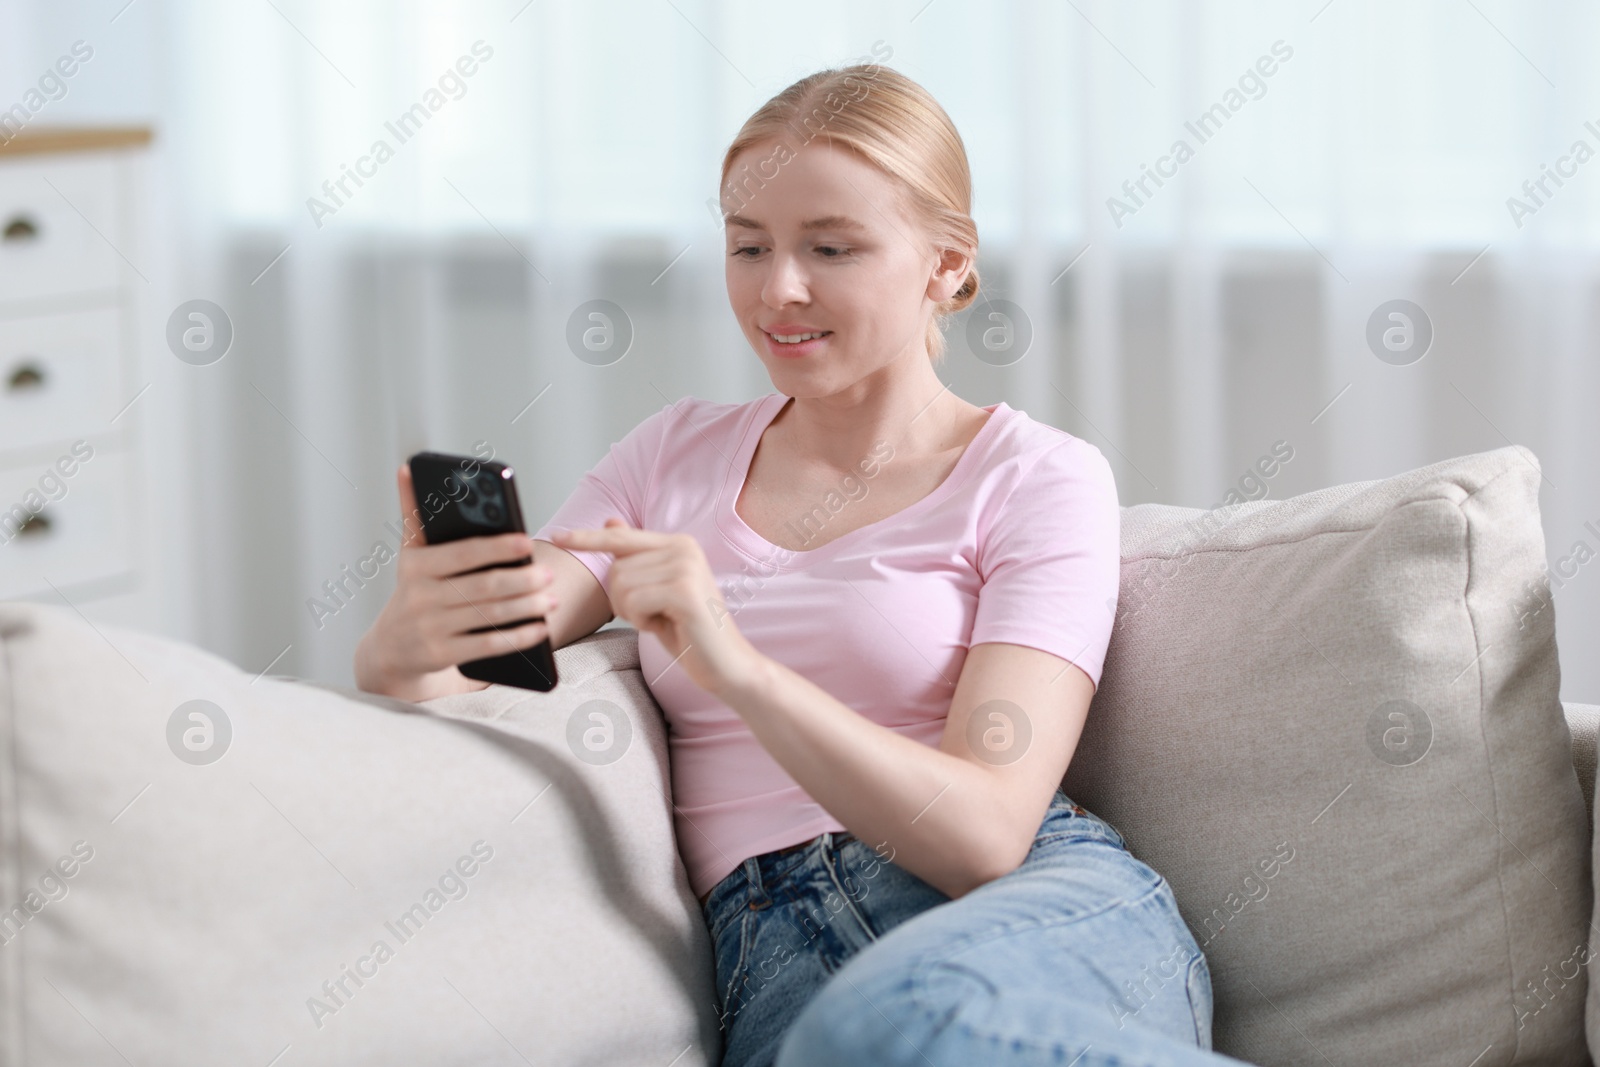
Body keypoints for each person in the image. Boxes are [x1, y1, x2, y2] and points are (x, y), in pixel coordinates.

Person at [355, 64, 1244, 1067]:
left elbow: (987, 831)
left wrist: (737, 664)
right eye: (748, 246)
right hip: (772, 951)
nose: (778, 288)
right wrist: (408, 633)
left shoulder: (1037, 477)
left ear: (946, 263)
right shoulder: (669, 455)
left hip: (1022, 913)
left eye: (831, 246)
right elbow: (474, 650)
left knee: (894, 1023)